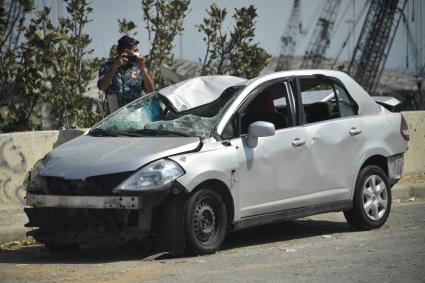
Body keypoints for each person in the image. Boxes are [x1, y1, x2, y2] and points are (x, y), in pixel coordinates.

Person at [97, 35, 155, 111]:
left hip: (135, 114)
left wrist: (143, 69)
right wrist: (113, 68)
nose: (137, 54)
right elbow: (102, 87)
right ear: (125, 52)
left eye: (137, 51)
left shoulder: (138, 67)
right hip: (114, 115)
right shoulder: (107, 66)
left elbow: (151, 90)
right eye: (135, 51)